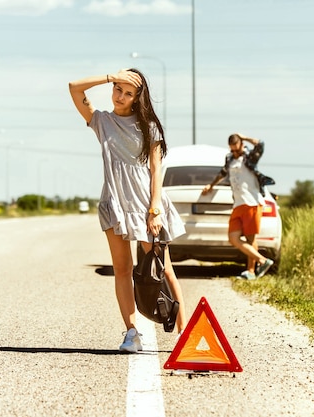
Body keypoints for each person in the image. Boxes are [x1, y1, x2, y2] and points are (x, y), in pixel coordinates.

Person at [68, 68, 187, 353]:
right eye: (117, 89)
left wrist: (155, 207)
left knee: (164, 269)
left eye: (128, 92)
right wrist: (111, 76)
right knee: (122, 269)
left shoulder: (149, 127)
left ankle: (185, 335)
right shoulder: (102, 121)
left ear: (137, 98)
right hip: (115, 203)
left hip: (145, 204)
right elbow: (74, 87)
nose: (120, 96)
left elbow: (157, 169)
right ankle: (132, 333)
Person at [201, 133, 275, 280]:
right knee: (233, 237)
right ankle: (263, 260)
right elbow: (222, 173)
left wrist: (243, 137)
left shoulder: (250, 157)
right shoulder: (229, 158)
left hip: (251, 202)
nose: (235, 153)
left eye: (237, 149)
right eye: (232, 150)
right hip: (238, 203)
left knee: (250, 238)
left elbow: (261, 144)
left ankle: (251, 271)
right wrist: (211, 185)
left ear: (242, 145)